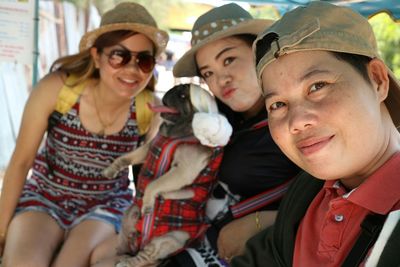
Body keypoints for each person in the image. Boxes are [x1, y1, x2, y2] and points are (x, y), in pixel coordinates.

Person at [232, 2, 400, 267]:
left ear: (377, 80)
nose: (296, 122)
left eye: (317, 86)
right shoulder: (311, 190)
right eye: (277, 105)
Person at [0, 2, 168, 267]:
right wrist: (1, 231)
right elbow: (20, 162)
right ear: (96, 56)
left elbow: (153, 181)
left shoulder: (149, 111)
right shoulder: (58, 89)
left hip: (104, 206)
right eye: (119, 56)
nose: (132, 69)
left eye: (143, 60)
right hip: (44, 197)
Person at [166, 3, 300, 266]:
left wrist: (262, 221)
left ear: (258, 52)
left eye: (229, 59)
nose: (221, 78)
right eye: (208, 73)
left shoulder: (296, 120)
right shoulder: (221, 119)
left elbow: (335, 200)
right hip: (187, 241)